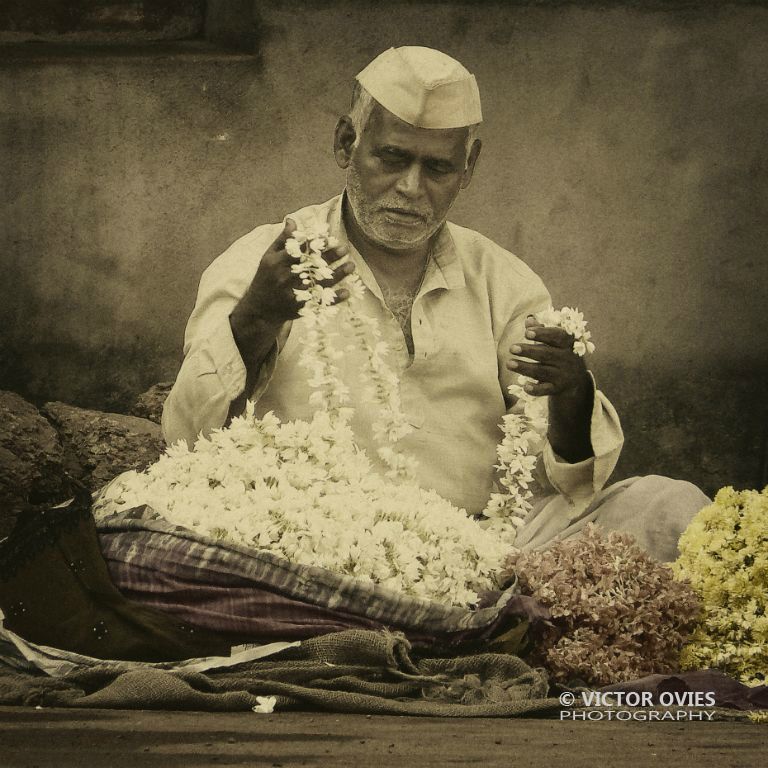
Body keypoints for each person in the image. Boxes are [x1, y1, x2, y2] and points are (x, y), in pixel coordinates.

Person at [162, 46, 708, 562]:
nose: (410, 187)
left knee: (670, 510)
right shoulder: (266, 261)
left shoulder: (503, 280)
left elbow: (565, 479)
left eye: (438, 168)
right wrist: (258, 315)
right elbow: (188, 437)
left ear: (467, 167)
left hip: (493, 546)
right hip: (317, 543)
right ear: (345, 143)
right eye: (392, 158)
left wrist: (570, 392)